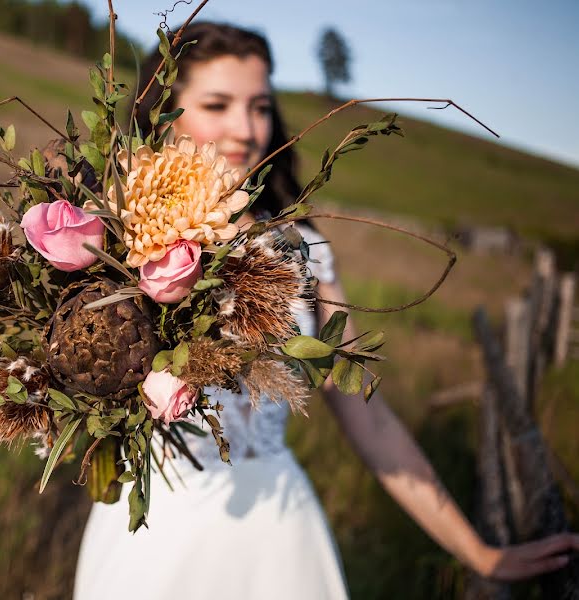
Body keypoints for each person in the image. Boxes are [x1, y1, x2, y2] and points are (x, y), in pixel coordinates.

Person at [73, 22, 578, 599]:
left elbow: (369, 414)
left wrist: (479, 553)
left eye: (260, 106)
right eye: (218, 104)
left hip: (277, 537)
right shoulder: (109, 243)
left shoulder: (303, 250)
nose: (246, 129)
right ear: (164, 115)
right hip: (152, 533)